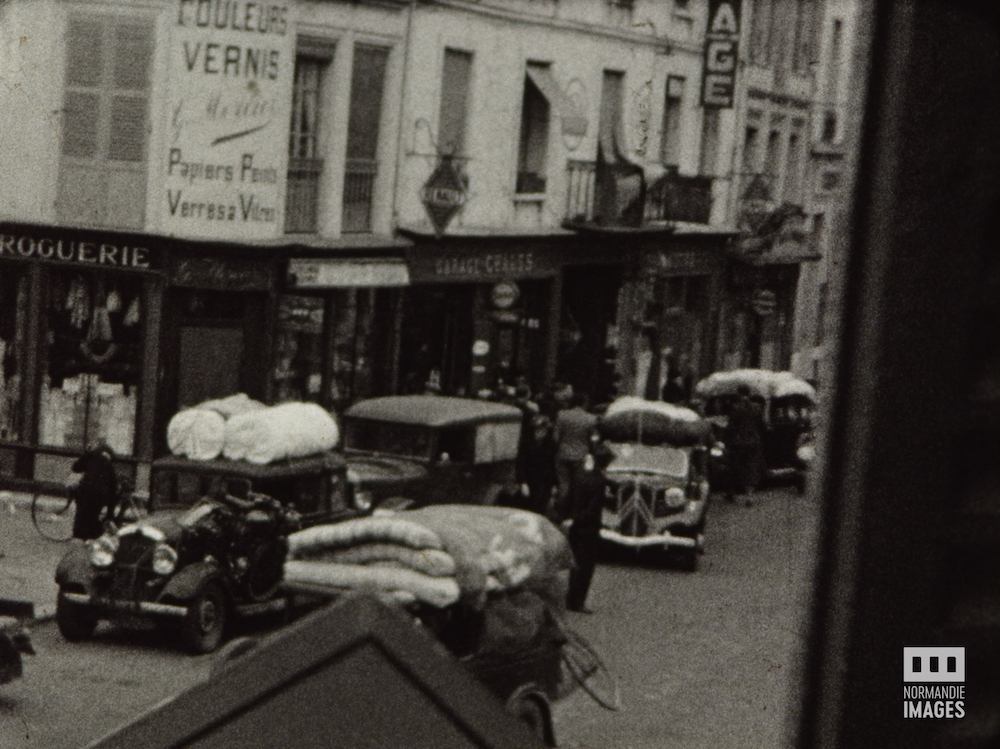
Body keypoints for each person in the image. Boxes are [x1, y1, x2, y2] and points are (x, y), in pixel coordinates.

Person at [565, 438, 615, 613]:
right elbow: (593, 509)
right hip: (589, 528)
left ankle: (570, 597)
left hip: (575, 527)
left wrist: (569, 517)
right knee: (586, 566)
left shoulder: (579, 475)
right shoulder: (599, 481)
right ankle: (578, 600)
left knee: (575, 563)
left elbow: (568, 498)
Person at [551, 391, 597, 522]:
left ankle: (560, 513)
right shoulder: (590, 419)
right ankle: (574, 514)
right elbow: (593, 440)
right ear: (584, 403)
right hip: (581, 456)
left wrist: (558, 449)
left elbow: (555, 437)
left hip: (563, 454)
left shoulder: (562, 415)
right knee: (578, 486)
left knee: (564, 485)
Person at [725, 384, 766, 507]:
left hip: (738, 442)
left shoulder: (735, 408)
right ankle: (750, 496)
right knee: (751, 467)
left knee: (734, 466)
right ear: (749, 393)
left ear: (738, 394)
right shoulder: (757, 407)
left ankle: (731, 492)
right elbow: (762, 425)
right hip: (753, 441)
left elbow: (731, 427)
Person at [69, 442, 119, 540]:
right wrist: (110, 514)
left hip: (85, 492)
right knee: (93, 516)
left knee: (81, 516)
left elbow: (76, 467)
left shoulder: (91, 456)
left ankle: (79, 538)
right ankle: (92, 536)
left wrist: (87, 453)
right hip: (100, 495)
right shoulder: (109, 465)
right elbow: (113, 489)